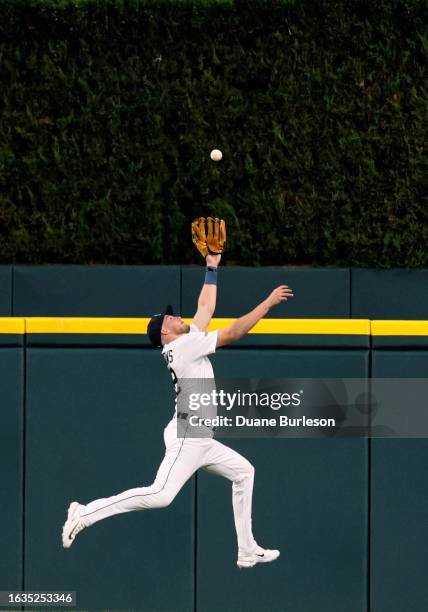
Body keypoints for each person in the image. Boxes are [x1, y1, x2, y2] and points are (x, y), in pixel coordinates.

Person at [62, 254, 293, 568]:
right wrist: (266, 304)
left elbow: (205, 308)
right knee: (160, 495)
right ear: (165, 334)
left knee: (244, 472)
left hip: (199, 436)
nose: (175, 317)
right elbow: (235, 332)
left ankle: (247, 549)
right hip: (188, 436)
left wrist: (212, 267)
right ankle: (85, 514)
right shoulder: (182, 345)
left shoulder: (186, 340)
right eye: (169, 319)